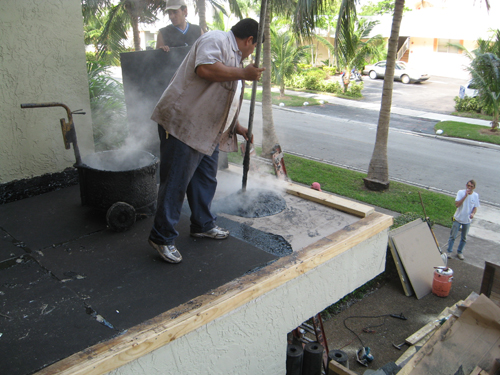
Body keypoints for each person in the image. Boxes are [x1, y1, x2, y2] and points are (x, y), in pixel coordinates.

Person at [148, 18, 265, 264]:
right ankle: (162, 237)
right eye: (254, 46)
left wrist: (237, 126)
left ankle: (202, 223)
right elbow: (205, 69)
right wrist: (244, 73)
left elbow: (223, 101)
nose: (252, 51)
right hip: (184, 125)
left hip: (207, 131)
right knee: (176, 183)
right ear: (249, 40)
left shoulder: (236, 59)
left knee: (205, 180)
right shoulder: (217, 39)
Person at [446, 179, 480, 260]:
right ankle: (449, 251)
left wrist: (473, 213)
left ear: (474, 187)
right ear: (466, 185)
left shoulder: (475, 195)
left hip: (467, 220)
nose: (469, 188)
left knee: (464, 238)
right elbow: (457, 205)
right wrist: (465, 196)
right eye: (468, 186)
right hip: (458, 218)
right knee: (453, 236)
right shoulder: (461, 192)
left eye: (471, 186)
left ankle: (459, 252)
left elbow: (475, 207)